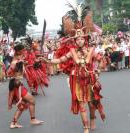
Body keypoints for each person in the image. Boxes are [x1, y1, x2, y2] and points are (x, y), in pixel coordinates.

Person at [40, 3, 105, 133]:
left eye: (82, 38)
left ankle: (92, 119)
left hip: (90, 79)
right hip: (77, 80)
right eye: (78, 39)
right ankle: (85, 127)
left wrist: (98, 71)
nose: (80, 41)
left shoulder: (91, 50)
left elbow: (102, 60)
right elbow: (60, 59)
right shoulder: (72, 52)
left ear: (85, 39)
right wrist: (47, 60)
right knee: (81, 103)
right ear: (75, 41)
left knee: (92, 103)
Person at [7, 44, 43, 129]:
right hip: (17, 85)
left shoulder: (18, 60)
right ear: (19, 51)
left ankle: (13, 123)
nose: (25, 52)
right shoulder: (16, 62)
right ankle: (32, 120)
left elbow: (22, 67)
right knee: (32, 100)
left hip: (17, 84)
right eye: (23, 50)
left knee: (22, 105)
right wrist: (16, 74)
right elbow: (9, 73)